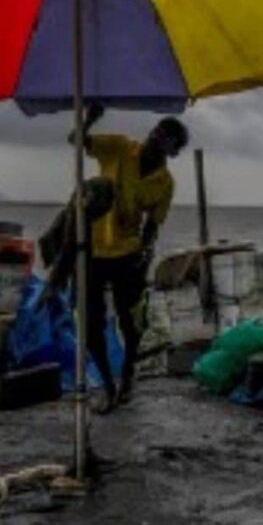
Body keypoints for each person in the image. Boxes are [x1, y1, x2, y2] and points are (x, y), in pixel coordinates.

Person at [69, 104, 189, 412]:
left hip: (128, 255)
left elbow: (152, 224)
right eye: (159, 130)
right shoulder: (120, 147)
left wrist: (145, 254)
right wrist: (89, 119)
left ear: (174, 151)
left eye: (168, 137)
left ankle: (128, 375)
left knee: (131, 320)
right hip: (91, 248)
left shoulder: (165, 183)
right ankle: (108, 384)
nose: (158, 136)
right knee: (90, 320)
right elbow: (76, 140)